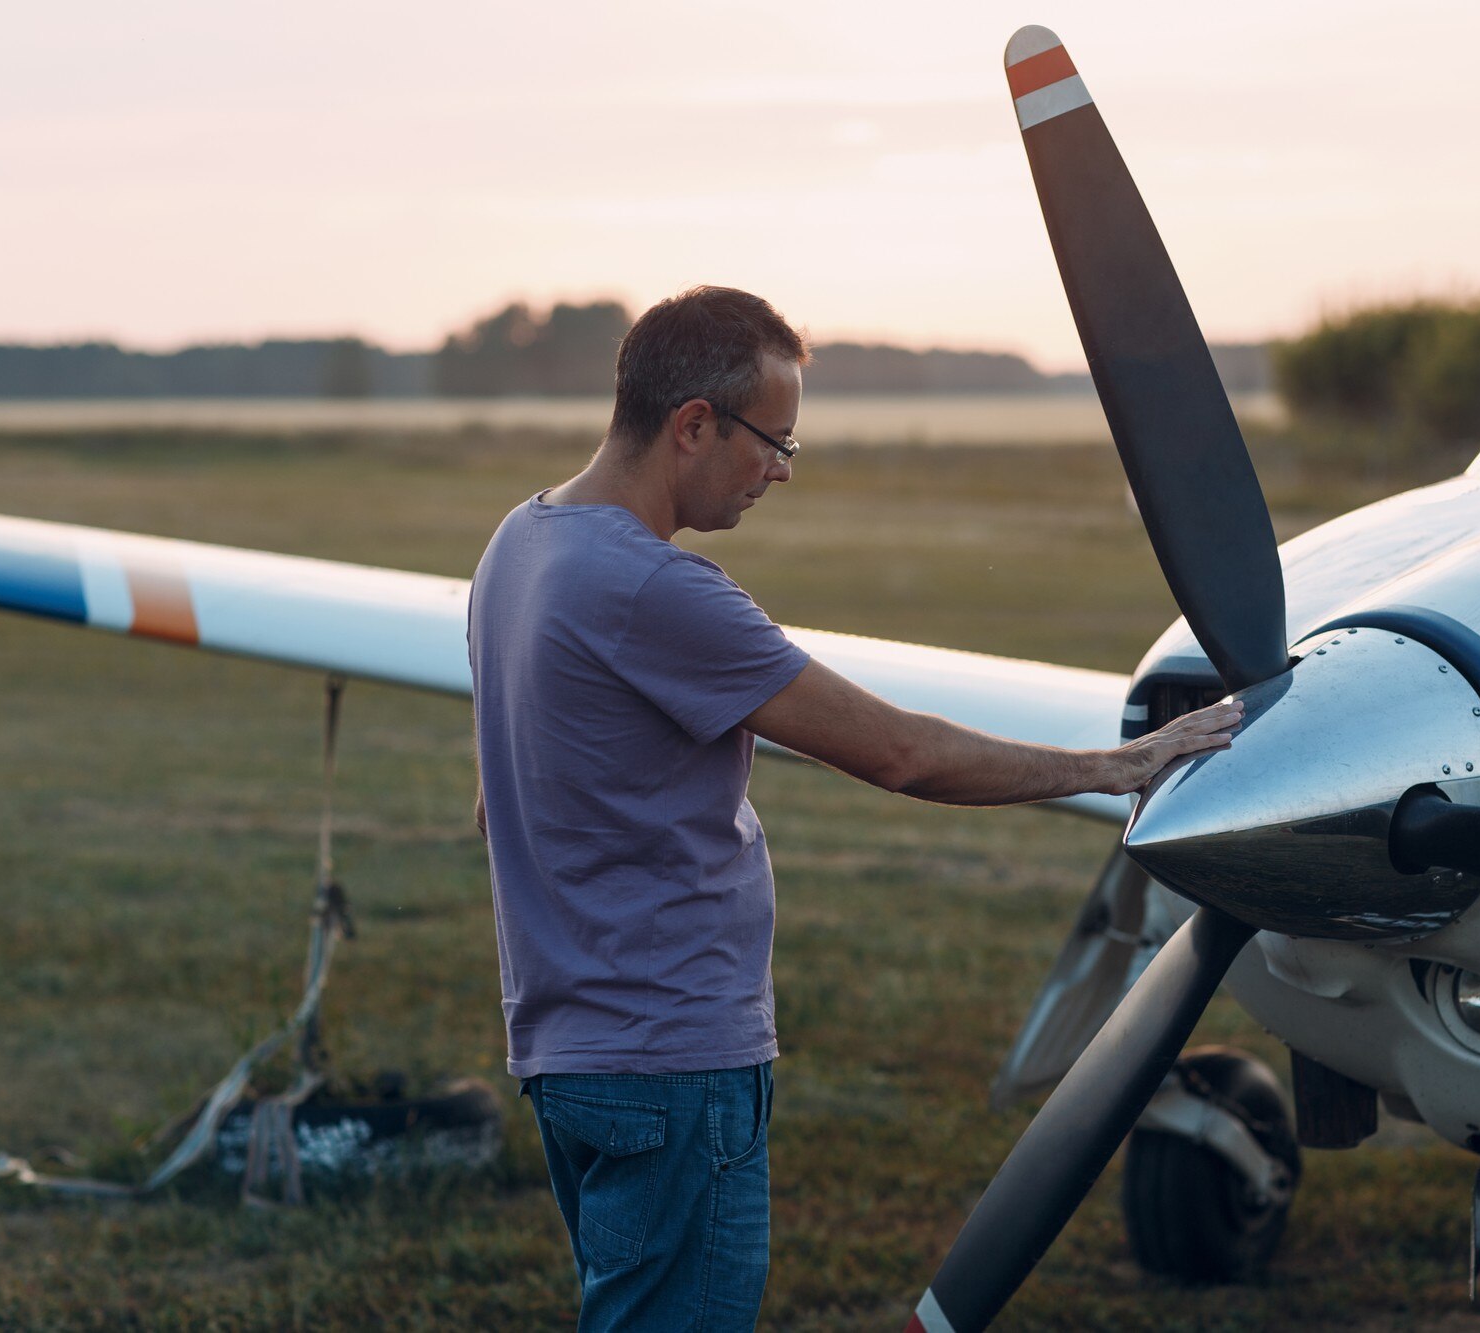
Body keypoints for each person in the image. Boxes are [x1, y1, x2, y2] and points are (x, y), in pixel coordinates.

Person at [468, 285, 1241, 1331]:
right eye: (772, 442)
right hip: (673, 1059)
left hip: (569, 1055)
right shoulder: (657, 590)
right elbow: (903, 754)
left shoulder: (517, 545)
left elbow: (502, 797)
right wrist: (1120, 765)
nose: (780, 471)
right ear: (692, 422)